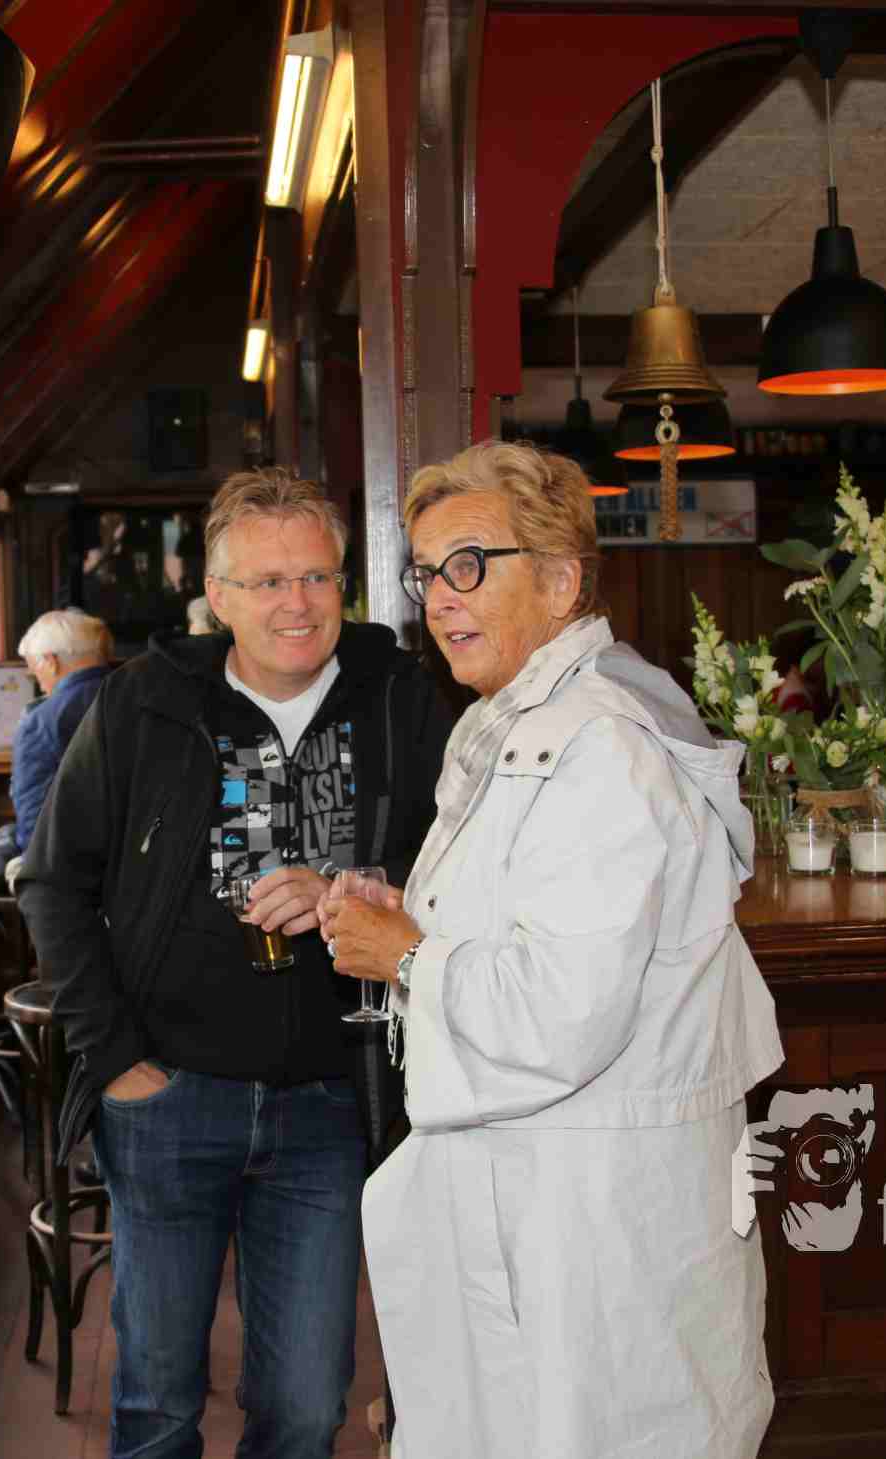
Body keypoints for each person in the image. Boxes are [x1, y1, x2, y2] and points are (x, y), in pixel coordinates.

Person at [320, 439, 785, 1459]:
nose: (442, 597)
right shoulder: (514, 721)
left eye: (469, 564)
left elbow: (563, 1010)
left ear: (563, 581)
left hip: (588, 1210)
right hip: (547, 1196)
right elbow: (537, 919)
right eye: (429, 573)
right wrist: (416, 918)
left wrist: (408, 955)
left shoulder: (600, 746)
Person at [18, 467, 455, 1459]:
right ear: (217, 596)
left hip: (330, 1102)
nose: (297, 603)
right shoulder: (144, 702)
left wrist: (356, 885)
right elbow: (51, 880)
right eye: (266, 582)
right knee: (157, 1403)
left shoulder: (401, 697)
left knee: (305, 1408)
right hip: (168, 1095)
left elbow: (459, 865)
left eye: (317, 576)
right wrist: (116, 1059)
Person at [0, 608, 111, 910]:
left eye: (34, 671)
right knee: (10, 834)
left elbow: (34, 826)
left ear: (51, 662)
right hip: (136, 850)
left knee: (14, 836)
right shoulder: (137, 699)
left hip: (72, 866)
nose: (37, 682)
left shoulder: (40, 721)